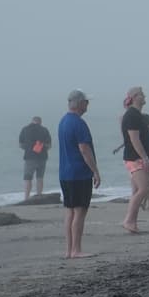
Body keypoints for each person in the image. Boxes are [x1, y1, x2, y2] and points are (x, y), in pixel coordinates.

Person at [58, 89, 100, 259]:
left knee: (70, 211)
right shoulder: (78, 123)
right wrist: (95, 171)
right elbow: (84, 149)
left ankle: (69, 250)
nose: (88, 104)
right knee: (80, 211)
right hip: (79, 174)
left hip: (66, 174)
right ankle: (76, 249)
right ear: (80, 103)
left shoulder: (63, 121)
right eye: (86, 102)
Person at [120, 87, 149, 233]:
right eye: (142, 94)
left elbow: (145, 139)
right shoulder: (131, 115)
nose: (144, 96)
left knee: (136, 190)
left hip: (137, 157)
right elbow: (134, 139)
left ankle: (132, 223)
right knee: (144, 189)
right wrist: (145, 158)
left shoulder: (137, 115)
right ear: (135, 97)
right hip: (134, 158)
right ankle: (128, 220)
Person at [19, 116, 52, 200]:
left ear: (32, 121)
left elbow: (21, 145)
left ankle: (26, 198)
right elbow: (49, 145)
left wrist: (29, 148)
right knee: (40, 178)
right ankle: (39, 195)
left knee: (28, 178)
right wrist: (41, 146)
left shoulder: (25, 129)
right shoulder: (44, 130)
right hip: (42, 157)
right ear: (40, 122)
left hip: (29, 157)